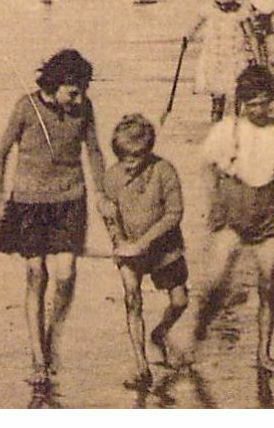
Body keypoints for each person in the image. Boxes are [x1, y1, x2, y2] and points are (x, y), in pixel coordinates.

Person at [0, 49, 105, 384]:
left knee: (66, 274)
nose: (80, 97)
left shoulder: (85, 107)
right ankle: (38, 358)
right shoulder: (26, 107)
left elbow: (94, 151)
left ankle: (53, 336)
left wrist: (102, 194)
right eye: (73, 91)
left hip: (71, 198)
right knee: (36, 274)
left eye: (83, 90)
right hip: (28, 203)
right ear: (54, 85)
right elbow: (0, 153)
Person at [193, 64, 274, 374]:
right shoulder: (227, 130)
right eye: (252, 103)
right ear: (242, 102)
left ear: (272, 99)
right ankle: (198, 337)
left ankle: (263, 353)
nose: (258, 109)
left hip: (267, 215)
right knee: (217, 283)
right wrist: (213, 206)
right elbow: (206, 168)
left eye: (264, 101)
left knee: (268, 284)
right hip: (232, 213)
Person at [98, 115, 189, 389]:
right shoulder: (112, 176)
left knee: (180, 301)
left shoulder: (164, 171)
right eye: (122, 158)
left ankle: (159, 333)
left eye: (134, 160)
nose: (127, 165)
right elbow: (110, 216)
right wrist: (118, 240)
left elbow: (174, 213)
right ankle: (141, 367)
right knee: (132, 299)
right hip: (129, 249)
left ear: (148, 152)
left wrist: (144, 242)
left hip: (164, 246)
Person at [184, 0, 251, 122]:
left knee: (234, 89)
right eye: (221, 4)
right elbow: (195, 25)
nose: (225, 8)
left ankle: (234, 120)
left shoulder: (240, 12)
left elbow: (250, 35)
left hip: (235, 57)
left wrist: (256, 55)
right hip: (214, 57)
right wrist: (187, 36)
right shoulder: (208, 10)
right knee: (217, 90)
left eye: (228, 5)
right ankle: (216, 115)